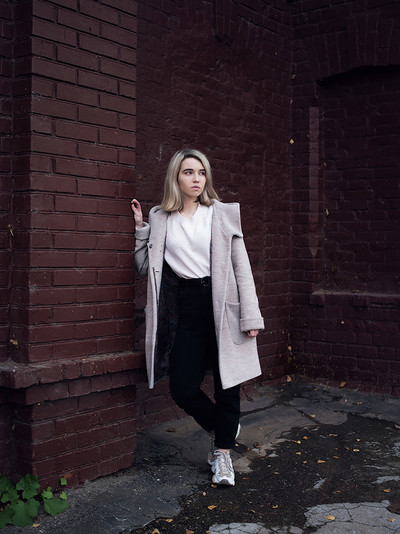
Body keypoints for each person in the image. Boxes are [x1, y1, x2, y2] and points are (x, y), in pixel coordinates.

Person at [131, 148, 264, 486]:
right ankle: (222, 428)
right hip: (186, 306)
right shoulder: (160, 218)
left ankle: (223, 455)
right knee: (182, 388)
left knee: (227, 384)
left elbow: (241, 267)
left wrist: (250, 317)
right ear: (175, 177)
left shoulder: (221, 213)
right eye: (189, 172)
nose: (196, 179)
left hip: (222, 304)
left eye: (201, 172)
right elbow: (145, 268)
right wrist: (141, 230)